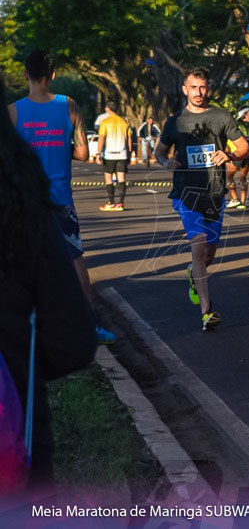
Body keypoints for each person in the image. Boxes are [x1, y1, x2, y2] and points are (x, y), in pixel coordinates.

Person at [0, 77, 97, 488]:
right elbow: (72, 343)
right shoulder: (20, 218)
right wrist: (18, 368)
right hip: (17, 454)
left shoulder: (21, 110)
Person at [9, 50, 115, 344]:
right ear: (53, 75)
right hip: (60, 201)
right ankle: (90, 326)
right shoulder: (69, 105)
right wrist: (56, 146)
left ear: (26, 75)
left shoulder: (12, 112)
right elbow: (83, 152)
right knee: (75, 260)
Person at [155, 67, 249, 331]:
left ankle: (193, 274)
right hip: (186, 193)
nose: (199, 92)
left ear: (208, 89)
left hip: (215, 193)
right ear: (185, 89)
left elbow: (243, 147)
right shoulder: (175, 122)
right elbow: (159, 152)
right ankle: (207, 311)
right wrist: (166, 162)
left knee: (208, 254)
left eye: (203, 87)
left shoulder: (221, 116)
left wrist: (229, 155)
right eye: (193, 87)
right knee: (198, 247)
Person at [96, 100, 133, 212]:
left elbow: (101, 138)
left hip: (109, 155)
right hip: (122, 154)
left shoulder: (105, 122)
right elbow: (129, 139)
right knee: (121, 178)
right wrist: (130, 153)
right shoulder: (124, 122)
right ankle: (121, 203)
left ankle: (111, 202)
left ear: (108, 109)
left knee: (108, 177)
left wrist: (98, 153)